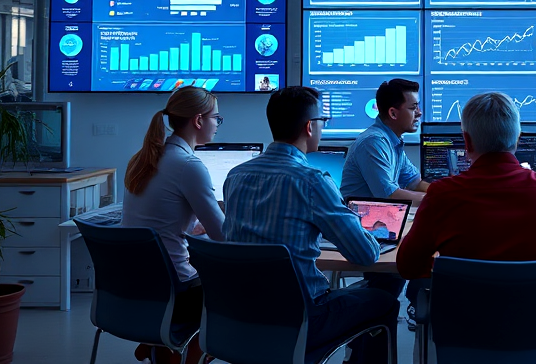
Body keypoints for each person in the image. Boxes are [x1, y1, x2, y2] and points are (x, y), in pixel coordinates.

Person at [223, 86, 398, 363]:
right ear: (309, 127)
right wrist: (363, 226)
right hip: (302, 317)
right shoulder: (312, 180)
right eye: (323, 121)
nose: (323, 127)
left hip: (241, 314)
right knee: (384, 298)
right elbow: (364, 254)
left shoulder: (235, 176)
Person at [397, 90, 536, 277]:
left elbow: (408, 265)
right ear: (517, 139)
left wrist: (447, 270)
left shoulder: (442, 195)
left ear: (467, 141)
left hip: (465, 309)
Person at [122, 85, 225, 364]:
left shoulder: (143, 159)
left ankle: (157, 344)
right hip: (175, 289)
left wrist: (191, 228)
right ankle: (180, 353)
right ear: (199, 120)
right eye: (216, 118)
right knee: (238, 290)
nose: (217, 124)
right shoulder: (188, 164)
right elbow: (222, 236)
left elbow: (156, 221)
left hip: (135, 285)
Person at [341, 79, 430, 327]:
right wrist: (440, 200)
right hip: (366, 232)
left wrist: (447, 191)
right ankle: (371, 329)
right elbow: (388, 194)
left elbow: (414, 182)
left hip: (381, 226)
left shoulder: (393, 141)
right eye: (414, 107)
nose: (419, 112)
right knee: (398, 277)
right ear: (393, 112)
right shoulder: (374, 142)